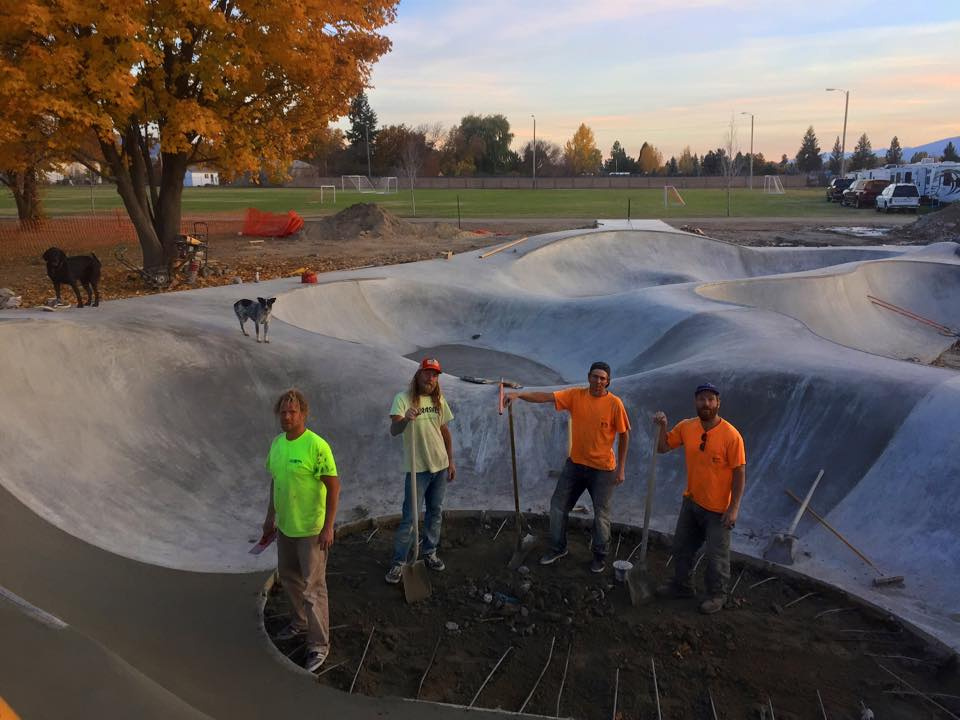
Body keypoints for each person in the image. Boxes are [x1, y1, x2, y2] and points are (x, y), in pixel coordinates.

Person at [505, 361, 630, 573]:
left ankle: (600, 555)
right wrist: (519, 395)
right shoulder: (576, 396)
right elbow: (547, 397)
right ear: (588, 377)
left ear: (608, 381)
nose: (598, 381)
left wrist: (622, 467)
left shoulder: (615, 404)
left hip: (603, 469)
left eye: (603, 378)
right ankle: (557, 547)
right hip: (576, 465)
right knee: (558, 506)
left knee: (601, 515)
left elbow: (625, 434)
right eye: (595, 376)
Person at [262, 389, 340, 672]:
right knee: (290, 577)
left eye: (292, 411)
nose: (286, 416)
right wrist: (270, 518)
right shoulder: (278, 444)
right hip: (286, 528)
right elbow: (275, 481)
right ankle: (299, 622)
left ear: (303, 414)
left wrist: (328, 526)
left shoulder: (316, 446)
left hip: (310, 530)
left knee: (313, 588)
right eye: (283, 411)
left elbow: (333, 486)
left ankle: (319, 645)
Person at [654, 382, 745, 615]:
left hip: (718, 509)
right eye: (702, 399)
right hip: (692, 501)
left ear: (718, 403)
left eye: (711, 399)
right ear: (695, 402)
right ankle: (682, 586)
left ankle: (718, 595)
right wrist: (663, 427)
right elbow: (662, 448)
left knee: (717, 556)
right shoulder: (687, 427)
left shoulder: (731, 436)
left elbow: (739, 474)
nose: (706, 403)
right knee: (682, 547)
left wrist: (733, 508)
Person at [384, 358, 456, 585]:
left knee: (435, 512)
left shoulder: (438, 400)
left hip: (440, 466)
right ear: (418, 374)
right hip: (418, 470)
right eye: (427, 373)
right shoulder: (402, 399)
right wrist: (405, 419)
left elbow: (444, 431)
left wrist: (451, 460)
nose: (431, 378)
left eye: (435, 375)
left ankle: (429, 552)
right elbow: (394, 430)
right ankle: (399, 562)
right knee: (410, 516)